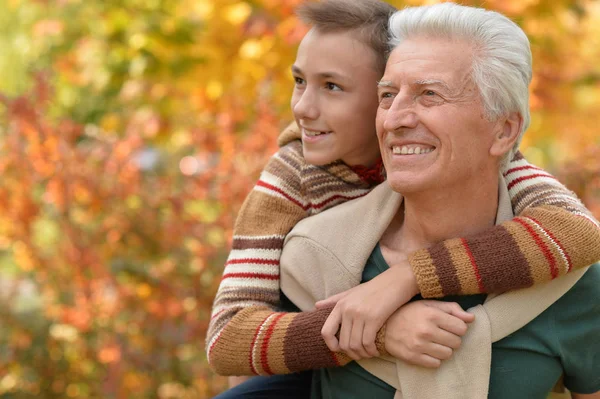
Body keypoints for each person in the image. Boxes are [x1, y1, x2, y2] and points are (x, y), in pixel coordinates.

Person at [205, 0, 600, 395]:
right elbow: (233, 343)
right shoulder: (300, 213)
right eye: (388, 95)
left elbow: (581, 232)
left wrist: (406, 277)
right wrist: (374, 329)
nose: (396, 117)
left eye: (429, 94)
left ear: (503, 132)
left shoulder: (559, 259)